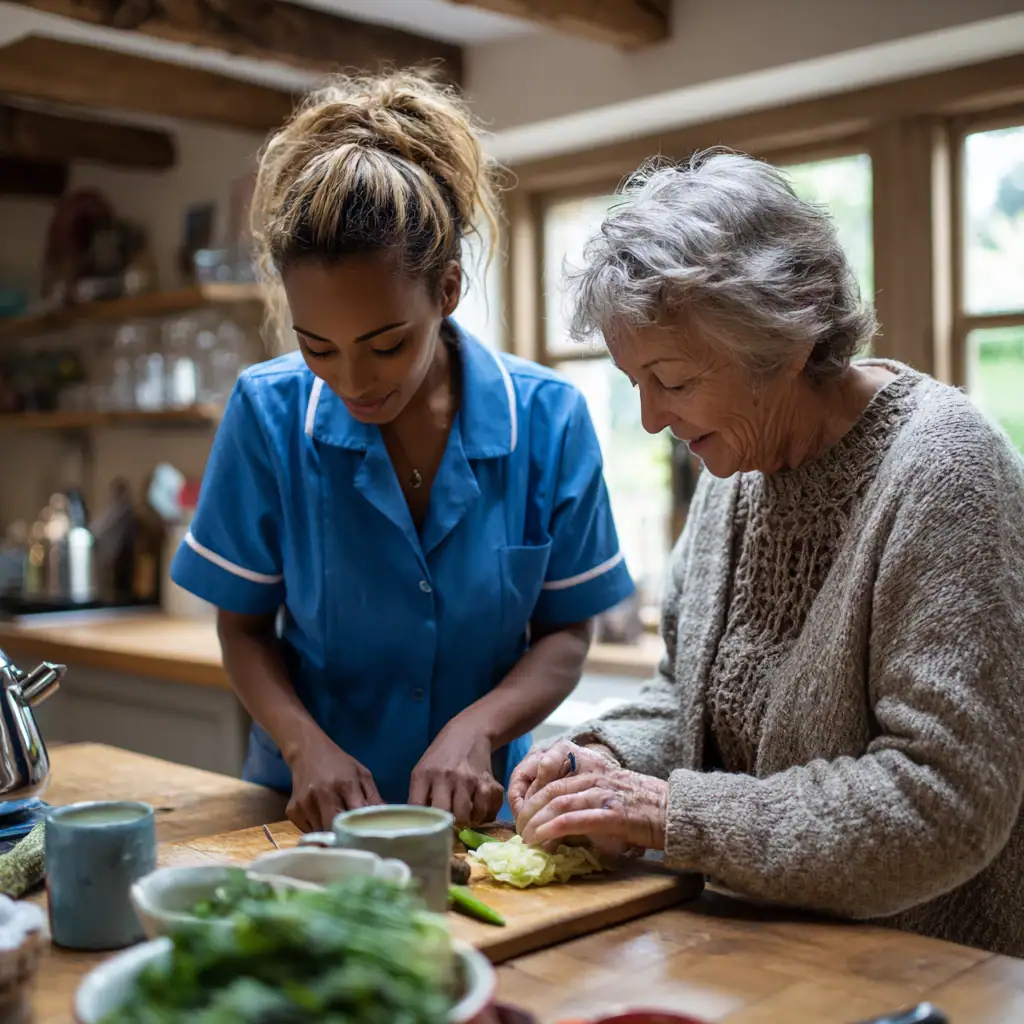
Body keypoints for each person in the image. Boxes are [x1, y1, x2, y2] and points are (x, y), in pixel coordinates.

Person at [510, 150, 1024, 956]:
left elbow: (947, 802)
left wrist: (672, 815)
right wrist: (599, 762)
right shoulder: (734, 469)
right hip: (757, 955)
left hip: (926, 971)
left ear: (786, 339)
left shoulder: (945, 470)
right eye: (633, 381)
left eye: (671, 379)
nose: (650, 419)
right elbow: (687, 699)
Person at [170, 71, 634, 833]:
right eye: (317, 346)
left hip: (479, 816)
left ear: (447, 289)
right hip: (305, 813)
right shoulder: (267, 412)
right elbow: (243, 627)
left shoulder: (549, 419)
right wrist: (303, 747)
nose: (353, 380)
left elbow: (565, 632)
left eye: (385, 344)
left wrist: (477, 729)